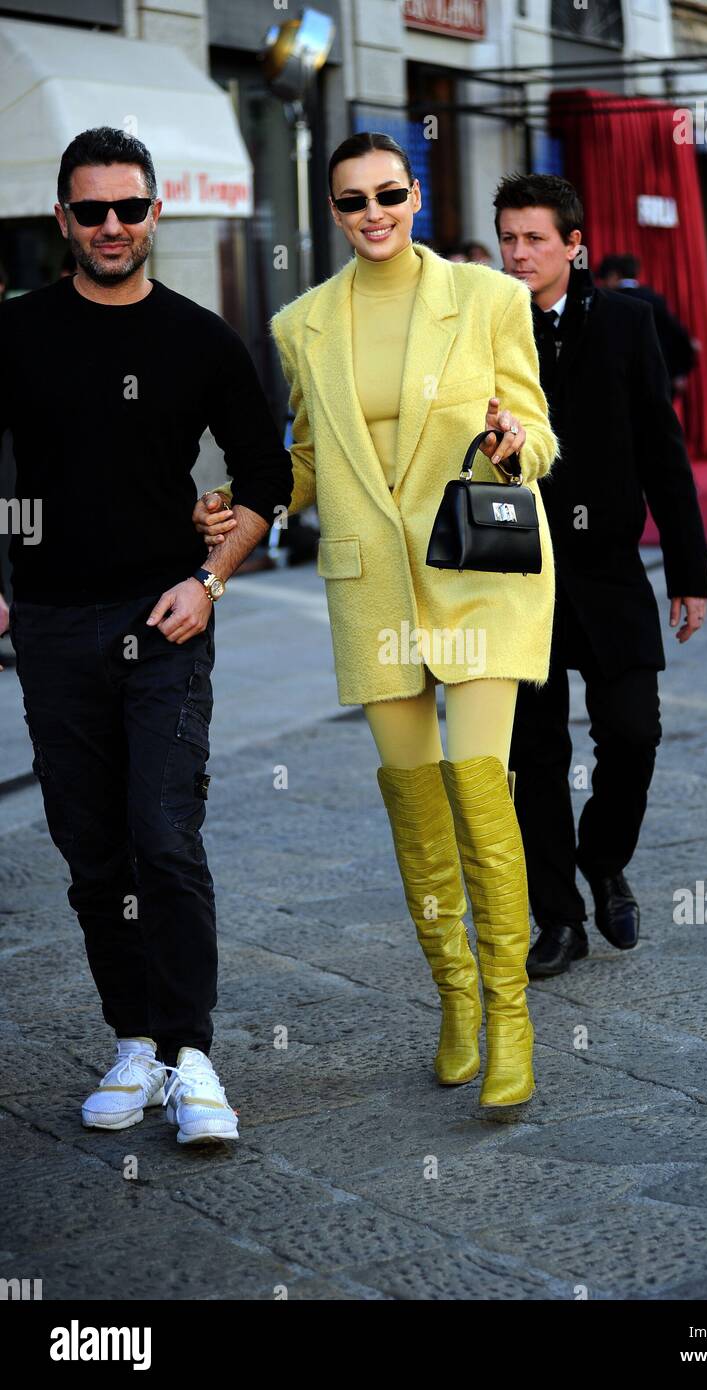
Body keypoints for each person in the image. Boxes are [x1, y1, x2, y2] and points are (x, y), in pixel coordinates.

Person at [195, 131, 558, 1108]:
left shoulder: (490, 299)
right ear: (334, 211)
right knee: (414, 810)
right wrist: (239, 497)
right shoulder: (305, 323)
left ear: (416, 195)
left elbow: (539, 435)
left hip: (478, 575)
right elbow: (308, 458)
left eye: (389, 193)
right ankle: (454, 1002)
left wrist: (510, 440)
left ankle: (511, 1016)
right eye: (353, 200)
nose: (374, 213)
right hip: (373, 591)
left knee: (481, 791)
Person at [0, 127, 290, 1144]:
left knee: (164, 835)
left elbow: (267, 476)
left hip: (165, 619)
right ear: (63, 221)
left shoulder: (201, 338)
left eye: (130, 209)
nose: (113, 227)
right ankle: (134, 1040)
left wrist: (211, 577)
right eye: (93, 212)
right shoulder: (17, 330)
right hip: (48, 622)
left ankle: (193, 1054)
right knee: (90, 848)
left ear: (157, 212)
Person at [493, 173, 707, 977]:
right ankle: (557, 919)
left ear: (573, 245)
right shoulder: (479, 327)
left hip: (609, 568)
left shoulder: (625, 321)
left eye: (534, 239)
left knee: (633, 733)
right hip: (511, 570)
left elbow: (662, 446)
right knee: (532, 754)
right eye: (507, 238)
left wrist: (688, 571)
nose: (517, 253)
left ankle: (602, 855)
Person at [604, 253, 696, 397]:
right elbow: (675, 333)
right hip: (655, 372)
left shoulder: (607, 302)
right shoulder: (653, 299)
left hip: (619, 377)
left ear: (615, 275)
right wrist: (680, 370)